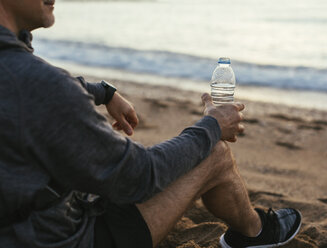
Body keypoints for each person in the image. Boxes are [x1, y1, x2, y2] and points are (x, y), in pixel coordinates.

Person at [0, 0, 302, 247]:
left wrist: (102, 92)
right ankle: (256, 232)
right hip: (60, 237)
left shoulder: (21, 74)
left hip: (22, 221)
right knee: (215, 154)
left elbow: (31, 85)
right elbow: (138, 177)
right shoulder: (38, 85)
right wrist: (212, 125)